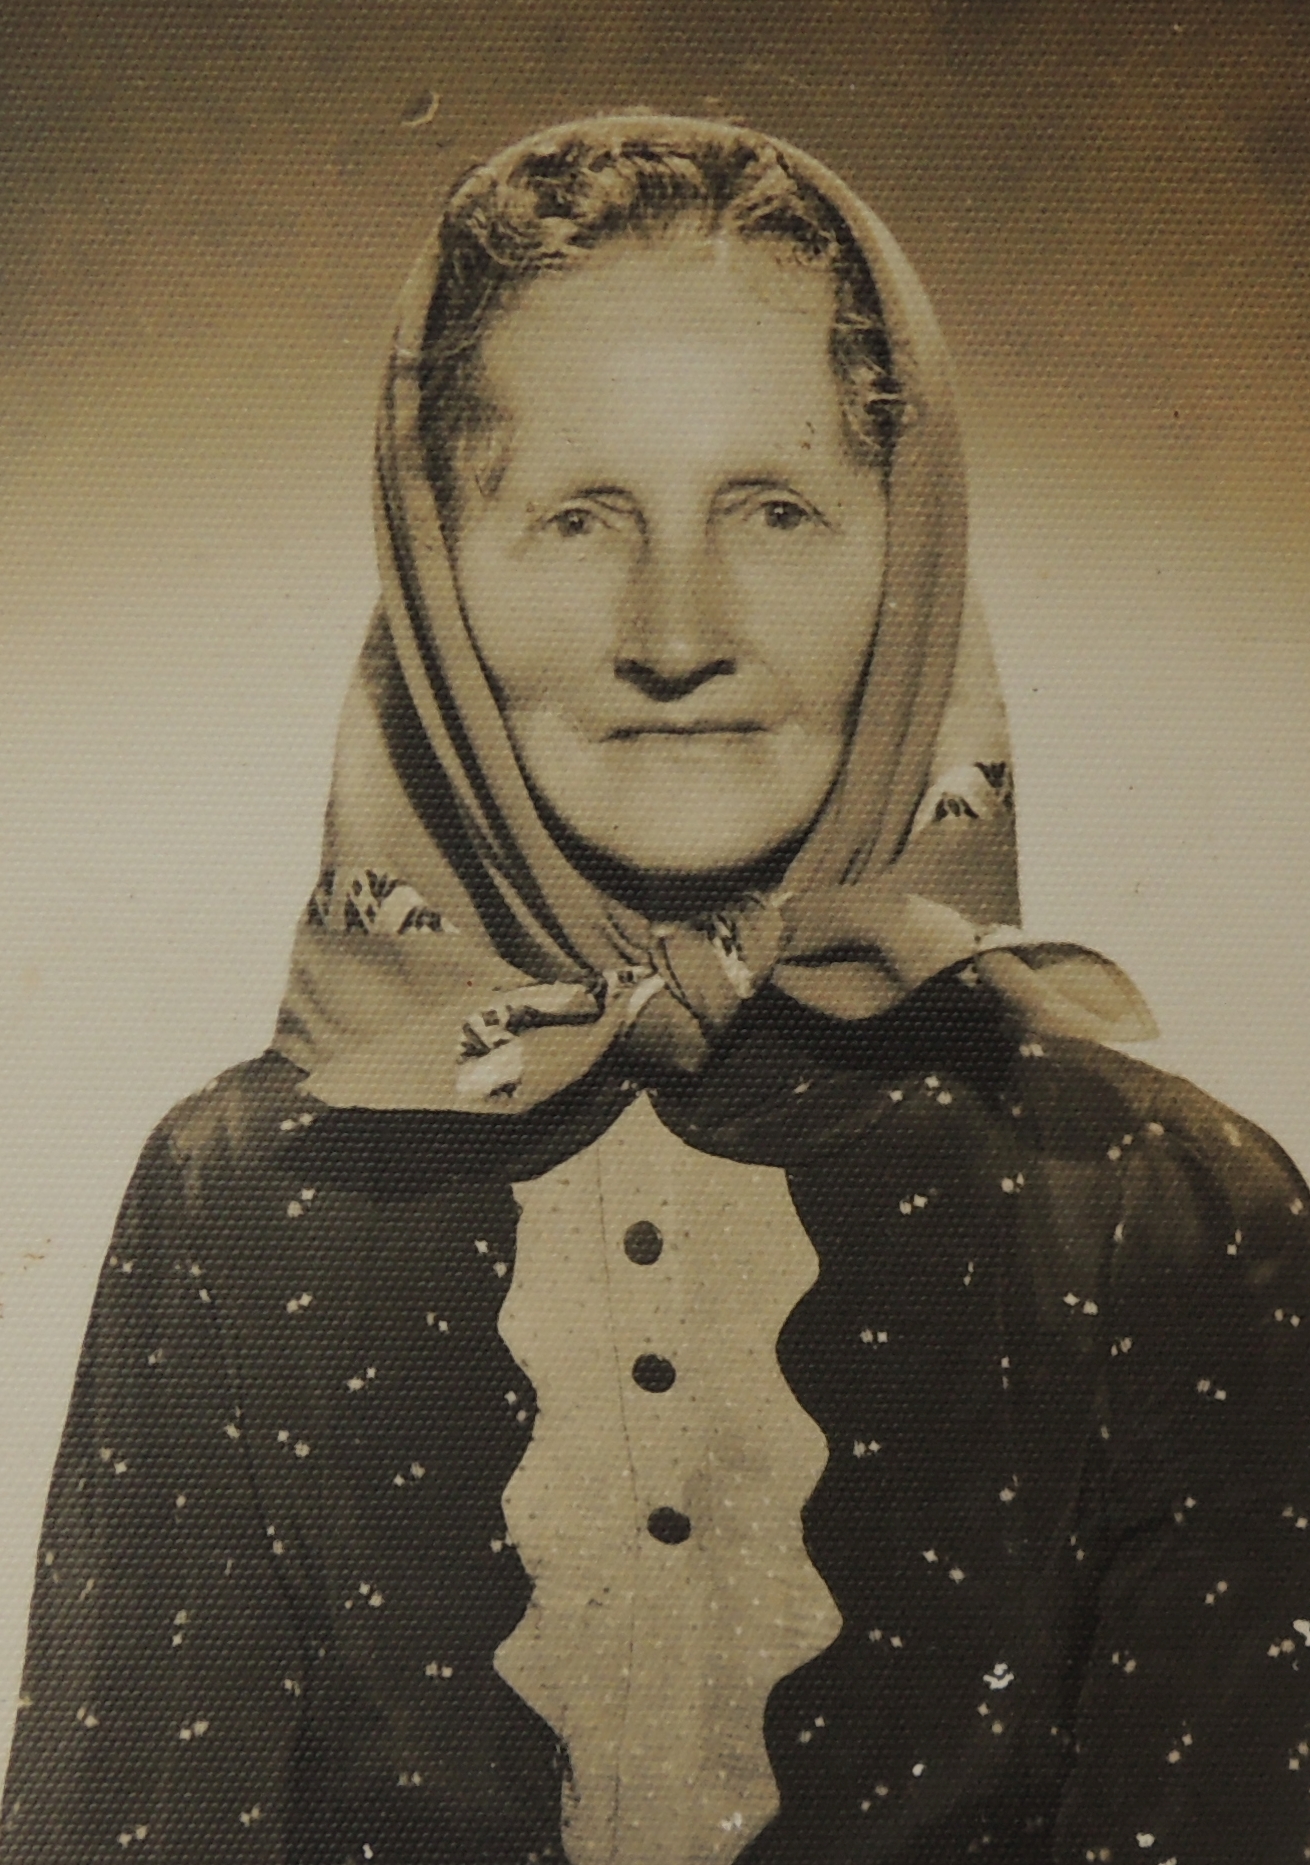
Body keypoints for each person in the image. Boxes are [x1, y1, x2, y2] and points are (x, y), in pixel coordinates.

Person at [3, 114, 1308, 1865]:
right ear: (437, 572)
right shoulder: (241, 1198)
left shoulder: (1171, 1215)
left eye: (774, 510)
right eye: (574, 518)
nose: (677, 632)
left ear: (908, 551)